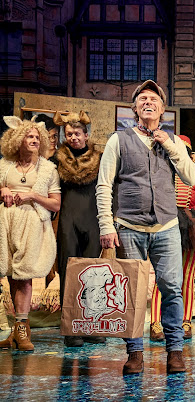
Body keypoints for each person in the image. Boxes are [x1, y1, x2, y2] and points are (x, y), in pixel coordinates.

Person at [96, 80, 195, 374]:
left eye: (154, 99)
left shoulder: (173, 141)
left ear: (163, 109)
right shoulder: (119, 140)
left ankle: (175, 352)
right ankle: (135, 353)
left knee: (172, 289)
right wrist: (106, 225)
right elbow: (104, 185)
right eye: (143, 99)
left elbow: (191, 178)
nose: (148, 103)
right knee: (132, 292)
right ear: (135, 108)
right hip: (129, 227)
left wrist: (169, 145)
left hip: (166, 226)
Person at [149, 135, 195, 341]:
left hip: (191, 228)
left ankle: (185, 321)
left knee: (188, 277)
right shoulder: (161, 173)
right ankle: (155, 323)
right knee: (162, 276)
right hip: (167, 223)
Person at [0, 116, 61, 351]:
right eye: (29, 136)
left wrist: (33, 195)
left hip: (32, 224)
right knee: (11, 275)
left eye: (37, 137)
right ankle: (16, 331)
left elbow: (56, 204)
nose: (35, 140)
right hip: (7, 222)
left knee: (24, 277)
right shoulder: (5, 165)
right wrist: (3, 189)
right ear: (17, 139)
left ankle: (23, 330)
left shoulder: (47, 169)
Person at [53, 110, 105, 347]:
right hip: (68, 222)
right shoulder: (57, 160)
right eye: (69, 134)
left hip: (93, 220)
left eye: (77, 133)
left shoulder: (100, 159)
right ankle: (70, 328)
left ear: (86, 135)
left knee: (92, 274)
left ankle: (89, 326)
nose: (73, 137)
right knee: (69, 273)